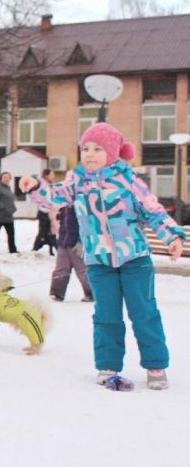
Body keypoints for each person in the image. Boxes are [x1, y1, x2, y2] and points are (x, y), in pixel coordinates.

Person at [21, 122, 185, 389]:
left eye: (97, 148)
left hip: (135, 260)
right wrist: (35, 188)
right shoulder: (78, 181)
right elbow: (55, 197)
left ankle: (155, 365)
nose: (90, 154)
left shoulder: (128, 180)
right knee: (106, 316)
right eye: (86, 148)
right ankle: (107, 366)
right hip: (99, 262)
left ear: (112, 152)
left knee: (144, 314)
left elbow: (153, 210)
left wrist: (172, 237)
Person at [48, 204, 93, 303]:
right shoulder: (65, 205)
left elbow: (88, 225)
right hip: (63, 241)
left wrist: (82, 241)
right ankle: (56, 292)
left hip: (77, 243)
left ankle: (91, 293)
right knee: (61, 268)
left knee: (82, 270)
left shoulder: (82, 204)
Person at [31, 168, 56, 255]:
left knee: (50, 231)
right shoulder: (42, 185)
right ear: (47, 175)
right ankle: (36, 248)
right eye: (52, 174)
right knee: (43, 231)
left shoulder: (49, 185)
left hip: (50, 212)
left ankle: (52, 248)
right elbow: (41, 198)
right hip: (44, 212)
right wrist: (47, 208)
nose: (54, 176)